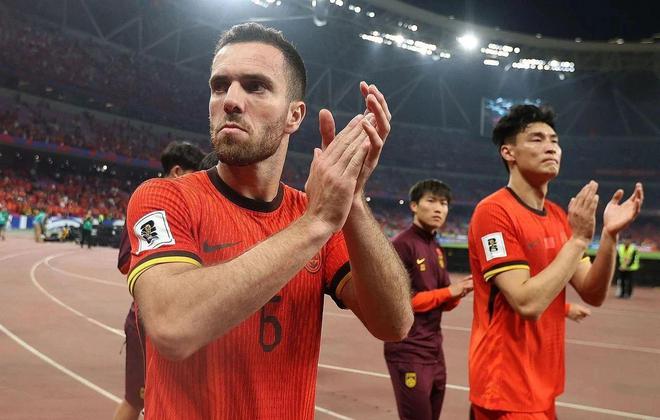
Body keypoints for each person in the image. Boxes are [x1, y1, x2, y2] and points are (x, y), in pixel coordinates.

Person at [124, 23, 412, 419]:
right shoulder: (165, 198)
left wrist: (354, 200)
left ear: (294, 115)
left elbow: (395, 323)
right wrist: (316, 222)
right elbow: (172, 326)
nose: (230, 100)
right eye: (220, 86)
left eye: (255, 86)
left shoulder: (317, 215)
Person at [467, 104, 643, 419]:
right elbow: (526, 302)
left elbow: (593, 292)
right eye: (537, 139)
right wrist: (578, 240)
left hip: (543, 384)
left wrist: (609, 237)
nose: (551, 147)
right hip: (505, 387)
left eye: (554, 140)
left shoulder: (560, 217)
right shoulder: (493, 212)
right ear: (509, 152)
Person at [113, 141, 205, 420]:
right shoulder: (149, 204)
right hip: (147, 322)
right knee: (136, 400)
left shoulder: (188, 207)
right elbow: (125, 262)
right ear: (177, 172)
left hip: (183, 319)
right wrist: (164, 268)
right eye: (196, 175)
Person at [384, 179, 473, 420]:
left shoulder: (436, 247)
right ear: (414, 206)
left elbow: (445, 300)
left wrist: (462, 290)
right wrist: (450, 292)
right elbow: (400, 304)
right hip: (409, 349)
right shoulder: (401, 245)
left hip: (434, 349)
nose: (438, 209)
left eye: (443, 203)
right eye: (431, 201)